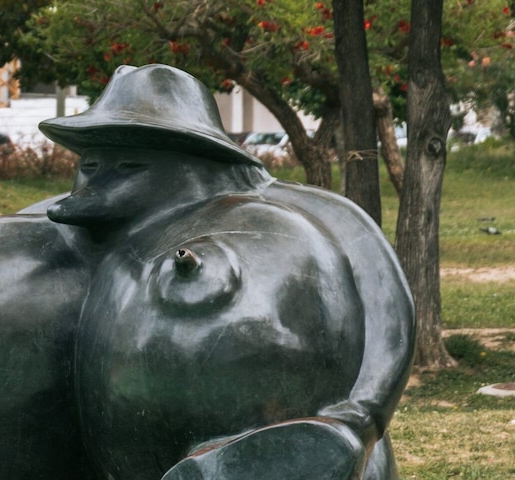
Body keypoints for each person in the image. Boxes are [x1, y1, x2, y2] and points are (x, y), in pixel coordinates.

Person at [40, 64, 412, 480]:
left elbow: (385, 298)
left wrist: (360, 417)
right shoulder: (72, 238)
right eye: (90, 165)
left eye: (128, 166)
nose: (100, 180)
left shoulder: (300, 213)